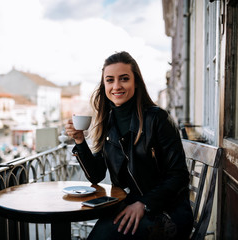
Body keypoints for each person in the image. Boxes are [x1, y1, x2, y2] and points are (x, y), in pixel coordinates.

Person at [65, 51, 193, 239]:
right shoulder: (107, 123)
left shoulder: (157, 119)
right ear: (104, 85)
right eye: (110, 80)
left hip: (168, 211)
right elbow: (96, 175)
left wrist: (144, 204)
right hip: (132, 205)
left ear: (136, 82)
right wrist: (79, 141)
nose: (116, 86)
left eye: (124, 79)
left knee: (103, 235)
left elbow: (179, 175)